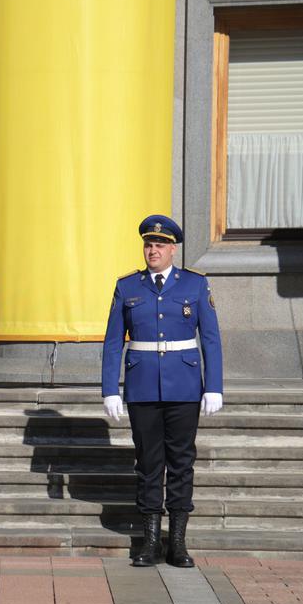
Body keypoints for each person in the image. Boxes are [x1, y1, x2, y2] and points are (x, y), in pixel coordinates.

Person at [101, 215, 223, 568]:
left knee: (182, 463)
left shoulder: (195, 285)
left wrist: (213, 386)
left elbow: (211, 340)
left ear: (173, 249)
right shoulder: (128, 287)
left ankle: (178, 543)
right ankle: (151, 542)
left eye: (159, 245)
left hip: (184, 387)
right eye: (148, 244)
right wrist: (111, 389)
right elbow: (112, 343)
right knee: (149, 464)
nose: (152, 250)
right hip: (141, 389)